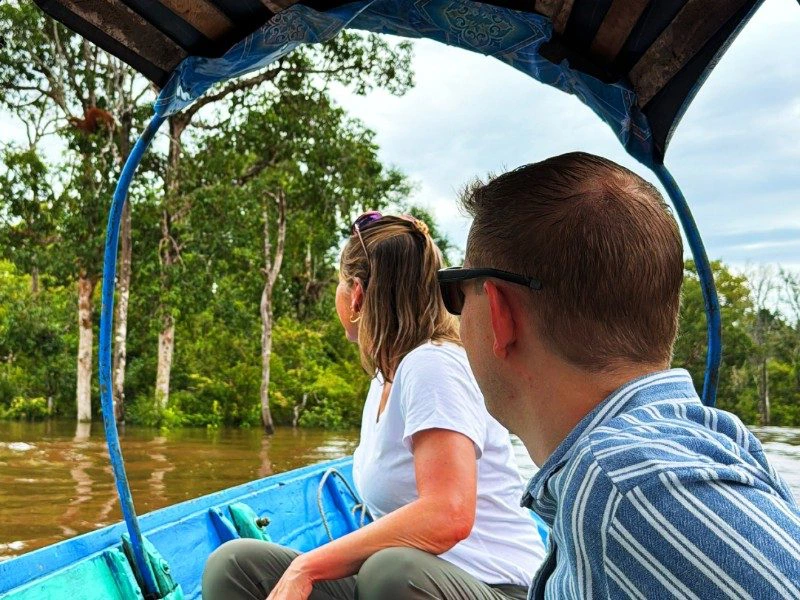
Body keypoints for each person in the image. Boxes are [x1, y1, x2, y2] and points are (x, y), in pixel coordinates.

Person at [438, 151, 800, 599]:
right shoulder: (697, 442)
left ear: (499, 311)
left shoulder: (623, 483)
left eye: (455, 292)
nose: (454, 315)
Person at [203, 212, 546, 600]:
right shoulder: (385, 377)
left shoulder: (432, 365)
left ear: (357, 295)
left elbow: (448, 515)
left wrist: (308, 566)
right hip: (407, 582)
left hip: (497, 588)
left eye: (338, 283)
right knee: (234, 566)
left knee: (389, 572)